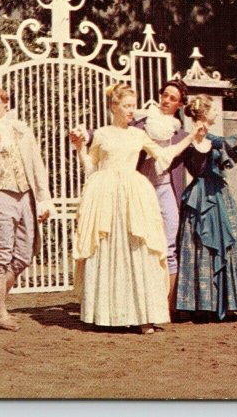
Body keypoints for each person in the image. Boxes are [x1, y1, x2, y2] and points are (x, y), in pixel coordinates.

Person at [70, 83, 206, 333]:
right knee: (109, 250)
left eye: (133, 105)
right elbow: (90, 167)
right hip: (106, 192)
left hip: (133, 192)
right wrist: (80, 148)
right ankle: (108, 313)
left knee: (138, 250)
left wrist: (190, 137)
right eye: (127, 106)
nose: (132, 110)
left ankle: (144, 314)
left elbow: (165, 156)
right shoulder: (102, 133)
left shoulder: (138, 134)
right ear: (114, 106)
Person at [176, 94, 237, 321]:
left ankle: (218, 302)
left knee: (220, 245)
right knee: (203, 246)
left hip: (217, 193)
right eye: (213, 110)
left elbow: (228, 143)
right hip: (204, 195)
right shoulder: (197, 138)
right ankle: (204, 304)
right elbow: (230, 140)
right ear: (204, 113)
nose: (217, 113)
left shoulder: (207, 138)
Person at [0, 85, 53, 331]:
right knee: (1, 256)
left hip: (26, 197)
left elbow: (37, 164)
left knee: (24, 254)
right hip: (2, 197)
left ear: (4, 102)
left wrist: (44, 198)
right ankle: (0, 313)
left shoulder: (21, 129)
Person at [133, 79, 193, 316]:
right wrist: (85, 134)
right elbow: (115, 134)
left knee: (168, 246)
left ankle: (166, 306)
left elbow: (200, 157)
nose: (165, 100)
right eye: (164, 95)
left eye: (172, 98)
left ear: (179, 104)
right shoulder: (141, 123)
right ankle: (141, 304)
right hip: (141, 190)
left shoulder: (179, 134)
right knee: (140, 246)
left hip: (166, 189)